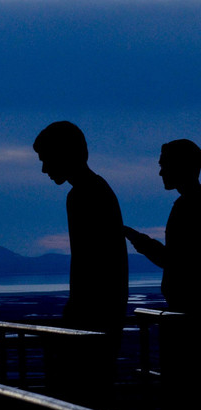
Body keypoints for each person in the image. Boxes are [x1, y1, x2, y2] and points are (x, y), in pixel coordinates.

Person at [33, 122, 128, 395]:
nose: (44, 169)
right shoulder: (96, 190)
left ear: (64, 154)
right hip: (103, 316)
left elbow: (88, 264)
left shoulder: (84, 194)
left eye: (46, 159)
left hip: (93, 319)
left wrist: (76, 313)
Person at [124, 139, 201, 316]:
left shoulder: (189, 206)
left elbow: (174, 261)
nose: (160, 173)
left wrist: (135, 238)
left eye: (165, 165)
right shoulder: (185, 204)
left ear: (181, 166)